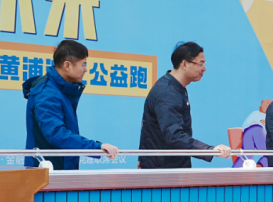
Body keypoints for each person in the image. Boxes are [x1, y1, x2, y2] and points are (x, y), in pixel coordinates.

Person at [23, 40, 118, 170]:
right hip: (45, 172)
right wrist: (95, 147)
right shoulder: (47, 94)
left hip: (59, 169)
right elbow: (56, 134)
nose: (86, 69)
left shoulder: (61, 90)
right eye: (83, 64)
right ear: (67, 65)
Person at [138, 41, 231, 169]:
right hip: (165, 171)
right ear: (185, 64)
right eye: (201, 63)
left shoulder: (175, 87)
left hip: (167, 166)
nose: (204, 68)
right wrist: (210, 150)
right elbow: (174, 135)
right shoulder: (168, 92)